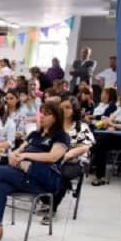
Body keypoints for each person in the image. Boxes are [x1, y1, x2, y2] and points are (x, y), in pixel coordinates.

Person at [0, 102, 69, 241]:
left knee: (0, 172)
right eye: (42, 113)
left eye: (47, 114)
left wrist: (26, 156)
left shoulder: (61, 136)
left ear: (56, 118)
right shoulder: (34, 135)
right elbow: (17, 151)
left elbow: (53, 157)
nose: (42, 116)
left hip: (44, 180)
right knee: (0, 187)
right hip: (24, 175)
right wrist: (13, 156)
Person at [41, 96, 95, 224]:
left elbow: (85, 147)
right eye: (62, 107)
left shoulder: (80, 126)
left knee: (62, 174)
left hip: (76, 160)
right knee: (38, 169)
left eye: (68, 107)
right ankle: (46, 199)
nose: (64, 110)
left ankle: (52, 208)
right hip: (54, 157)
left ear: (74, 110)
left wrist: (67, 155)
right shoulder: (54, 126)